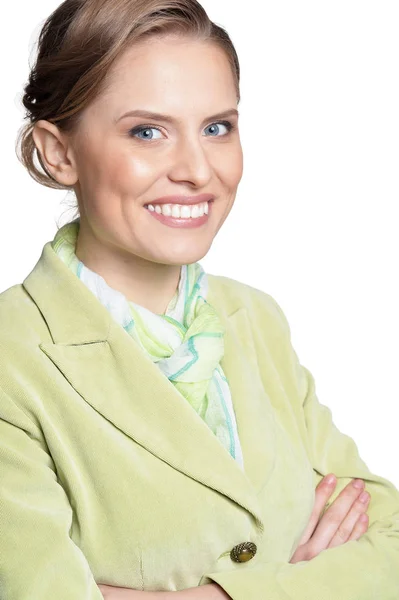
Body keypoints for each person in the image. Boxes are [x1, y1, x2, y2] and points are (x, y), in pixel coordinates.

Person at [1, 0, 398, 598]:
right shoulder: (14, 357)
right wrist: (288, 581)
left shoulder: (256, 318)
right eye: (147, 131)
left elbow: (389, 537)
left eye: (217, 128)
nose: (197, 169)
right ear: (60, 153)